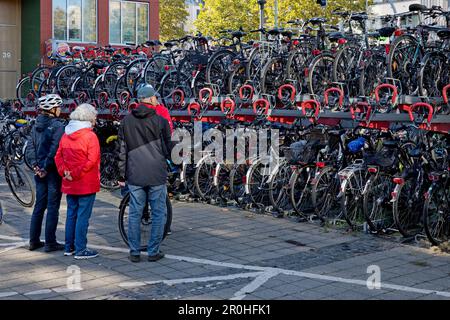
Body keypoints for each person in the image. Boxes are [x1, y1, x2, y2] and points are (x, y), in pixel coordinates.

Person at [118, 85, 173, 263]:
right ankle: (153, 251)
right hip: (156, 173)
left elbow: (121, 150)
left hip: (135, 173)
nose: (157, 99)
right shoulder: (161, 121)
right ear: (149, 99)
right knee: (158, 213)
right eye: (155, 97)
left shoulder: (126, 121)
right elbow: (168, 149)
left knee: (135, 213)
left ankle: (134, 251)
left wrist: (121, 175)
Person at [55, 104, 101, 259]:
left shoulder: (66, 134)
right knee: (83, 216)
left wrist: (64, 172)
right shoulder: (90, 136)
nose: (95, 119)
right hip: (85, 182)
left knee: (71, 214)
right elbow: (91, 161)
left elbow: (58, 156)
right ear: (88, 118)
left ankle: (69, 247)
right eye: (94, 116)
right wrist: (75, 173)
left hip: (69, 182)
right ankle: (81, 249)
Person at [27, 94, 65, 252]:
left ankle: (33, 241)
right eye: (59, 107)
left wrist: (36, 166)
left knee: (39, 206)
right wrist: (45, 168)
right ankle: (50, 242)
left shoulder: (35, 125)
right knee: (53, 206)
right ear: (53, 109)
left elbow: (29, 148)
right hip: (52, 172)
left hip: (39, 172)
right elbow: (55, 149)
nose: (61, 110)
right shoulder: (58, 126)